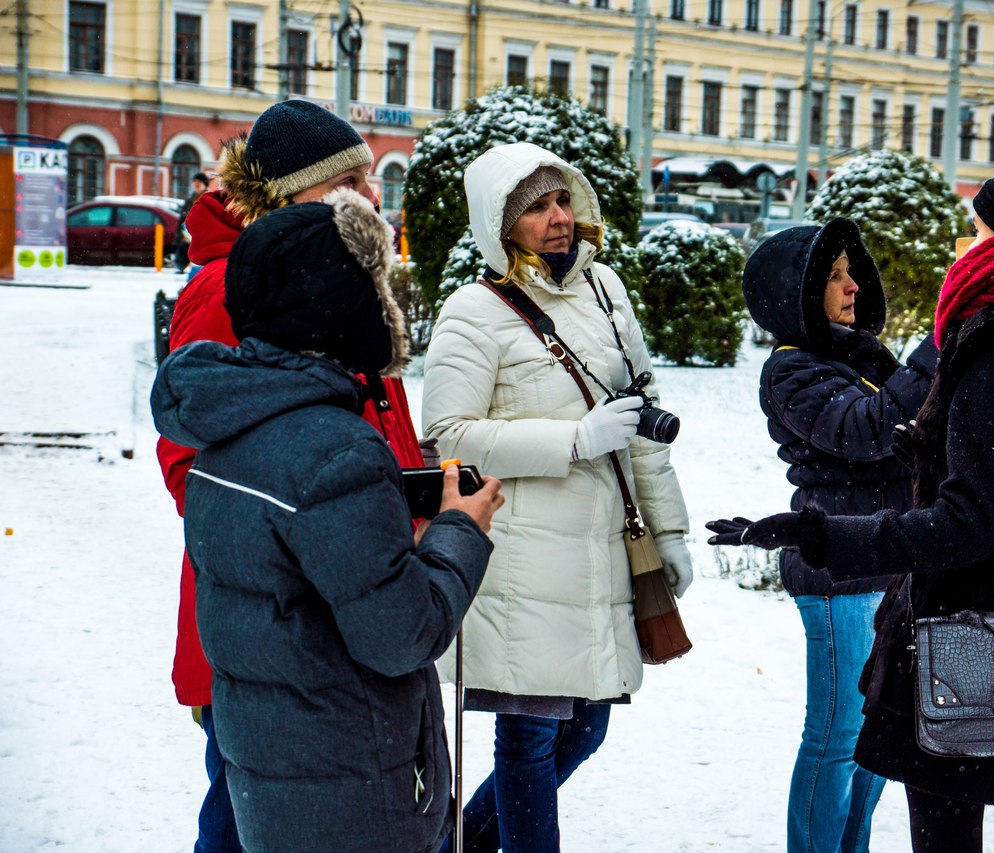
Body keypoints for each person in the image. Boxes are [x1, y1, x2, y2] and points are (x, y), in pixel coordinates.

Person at [709, 154, 994, 852]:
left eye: (977, 232)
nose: (967, 248)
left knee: (967, 830)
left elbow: (966, 518)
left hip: (968, 637)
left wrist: (822, 534)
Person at [151, 187, 504, 852]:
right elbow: (401, 634)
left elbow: (301, 567)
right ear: (341, 304)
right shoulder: (336, 448)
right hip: (354, 787)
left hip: (272, 773)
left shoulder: (227, 425)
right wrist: (462, 525)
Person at [154, 99, 426, 853]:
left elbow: (369, 418)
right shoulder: (230, 286)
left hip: (345, 600)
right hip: (272, 619)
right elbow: (193, 461)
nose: (371, 197)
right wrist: (325, 525)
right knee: (248, 815)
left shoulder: (336, 276)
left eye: (369, 180)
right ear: (292, 195)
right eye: (350, 182)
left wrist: (412, 483)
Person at [419, 141, 693, 852]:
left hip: (600, 554)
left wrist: (669, 535)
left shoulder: (604, 291)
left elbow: (641, 419)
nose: (558, 217)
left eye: (562, 199)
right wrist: (573, 438)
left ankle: (465, 840)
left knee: (587, 724)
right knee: (532, 732)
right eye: (536, 206)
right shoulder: (472, 311)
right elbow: (447, 435)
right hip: (523, 561)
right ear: (499, 223)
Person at [741, 218, 938, 853]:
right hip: (838, 577)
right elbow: (868, 429)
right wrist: (938, 346)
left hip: (888, 566)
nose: (852, 285)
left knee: (877, 739)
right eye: (833, 276)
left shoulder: (860, 358)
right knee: (835, 738)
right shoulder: (792, 370)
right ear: (794, 292)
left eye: (852, 272)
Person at [175, 172, 209, 273]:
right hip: (187, 236)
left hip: (203, 237)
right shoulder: (189, 201)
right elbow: (182, 220)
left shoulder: (209, 199)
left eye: (199, 182)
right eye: (195, 182)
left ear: (205, 184)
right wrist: (180, 235)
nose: (196, 184)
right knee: (182, 256)